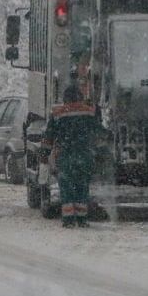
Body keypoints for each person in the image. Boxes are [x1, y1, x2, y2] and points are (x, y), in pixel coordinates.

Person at [41, 85, 100, 228]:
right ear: (80, 97)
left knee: (66, 186)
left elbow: (49, 137)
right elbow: (98, 133)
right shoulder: (89, 112)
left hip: (65, 156)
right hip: (84, 155)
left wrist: (44, 153)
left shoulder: (57, 114)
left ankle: (68, 220)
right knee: (82, 186)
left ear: (65, 98)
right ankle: (82, 219)